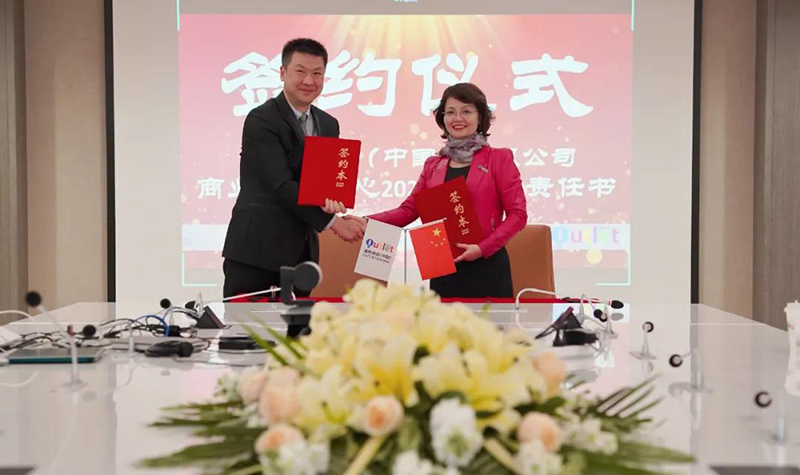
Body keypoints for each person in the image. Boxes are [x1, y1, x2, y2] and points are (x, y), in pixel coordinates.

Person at [222, 38, 365, 298]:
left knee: (296, 324)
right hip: (256, 252)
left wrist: (331, 201)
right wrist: (334, 223)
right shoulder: (261, 119)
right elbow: (280, 185)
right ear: (283, 72)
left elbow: (321, 184)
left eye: (317, 73)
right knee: (245, 323)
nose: (309, 81)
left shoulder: (328, 124)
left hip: (301, 256)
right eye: (300, 71)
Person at [368, 83, 527, 298]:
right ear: (442, 118)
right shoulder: (433, 165)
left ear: (480, 117)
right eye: (450, 112)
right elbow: (408, 210)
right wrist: (365, 222)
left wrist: (482, 248)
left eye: (466, 111)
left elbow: (518, 214)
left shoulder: (499, 159)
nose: (457, 118)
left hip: (487, 266)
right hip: (443, 269)